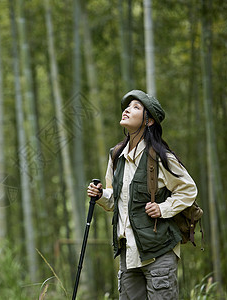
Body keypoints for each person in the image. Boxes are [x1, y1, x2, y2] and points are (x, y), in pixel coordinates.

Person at [87, 90, 197, 300]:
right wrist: (99, 194)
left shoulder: (161, 157)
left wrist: (162, 209)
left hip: (159, 253)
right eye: (127, 107)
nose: (127, 110)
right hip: (128, 255)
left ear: (149, 122)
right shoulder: (116, 155)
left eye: (136, 107)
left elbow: (188, 189)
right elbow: (114, 201)